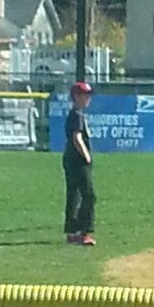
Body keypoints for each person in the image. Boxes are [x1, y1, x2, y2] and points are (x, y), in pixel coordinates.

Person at [63, 80, 97, 246]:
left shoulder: (77, 114)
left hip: (70, 158)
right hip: (77, 159)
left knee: (74, 195)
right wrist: (87, 156)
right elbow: (77, 138)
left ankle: (72, 232)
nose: (88, 98)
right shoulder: (76, 114)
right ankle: (85, 232)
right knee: (89, 195)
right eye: (85, 95)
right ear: (76, 96)